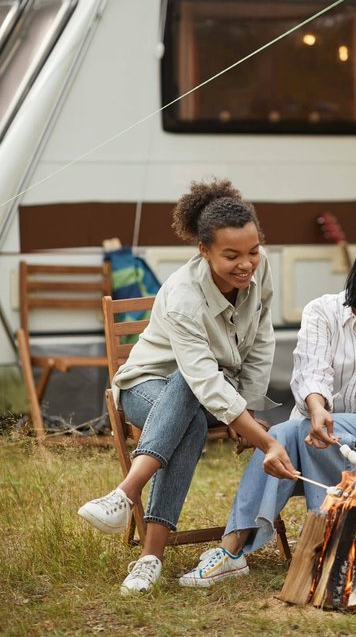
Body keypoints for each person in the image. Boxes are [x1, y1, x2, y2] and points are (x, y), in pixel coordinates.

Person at [179, 229, 356, 587]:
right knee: (287, 433)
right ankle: (347, 533)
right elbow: (311, 370)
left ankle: (237, 551)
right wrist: (318, 408)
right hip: (319, 433)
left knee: (287, 433)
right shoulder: (322, 311)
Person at [78, 178, 297, 594]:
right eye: (231, 255)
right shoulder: (182, 296)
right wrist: (262, 437)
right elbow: (199, 378)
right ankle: (148, 553)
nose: (246, 264)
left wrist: (246, 406)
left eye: (252, 251)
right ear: (204, 250)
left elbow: (263, 338)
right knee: (187, 390)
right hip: (147, 386)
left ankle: (126, 499)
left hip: (216, 389)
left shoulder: (260, 266)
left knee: (193, 402)